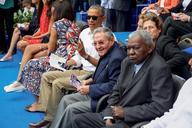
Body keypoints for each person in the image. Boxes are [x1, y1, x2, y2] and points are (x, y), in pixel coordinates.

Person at [68, 30, 175, 128]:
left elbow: (160, 107)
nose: (131, 52)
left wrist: (125, 113)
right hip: (114, 115)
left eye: (136, 48)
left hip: (133, 121)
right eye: (128, 48)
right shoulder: (127, 62)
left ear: (150, 48)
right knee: (77, 120)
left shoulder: (159, 68)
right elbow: (116, 91)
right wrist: (108, 116)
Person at [30, 27, 127, 128]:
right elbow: (102, 71)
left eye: (101, 43)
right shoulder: (108, 50)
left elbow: (114, 86)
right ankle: (53, 124)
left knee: (71, 108)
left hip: (102, 100)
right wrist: (89, 81)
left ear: (111, 40)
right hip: (95, 89)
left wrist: (90, 88)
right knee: (66, 99)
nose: (98, 46)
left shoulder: (117, 57)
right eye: (95, 43)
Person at [25, 5, 104, 113]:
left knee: (33, 62)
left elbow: (51, 48)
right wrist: (72, 61)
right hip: (70, 61)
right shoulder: (83, 31)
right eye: (88, 17)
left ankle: (46, 109)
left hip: (91, 73)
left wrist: (44, 49)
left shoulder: (106, 37)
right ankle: (44, 105)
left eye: (94, 18)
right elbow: (79, 55)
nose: (90, 20)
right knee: (40, 66)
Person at [142, 12, 191, 79]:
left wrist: (161, 67)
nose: (148, 31)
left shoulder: (163, 41)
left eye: (151, 27)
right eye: (145, 28)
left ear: (159, 30)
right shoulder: (146, 44)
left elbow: (180, 57)